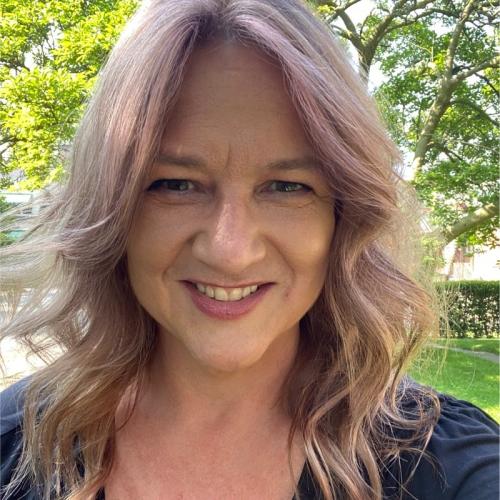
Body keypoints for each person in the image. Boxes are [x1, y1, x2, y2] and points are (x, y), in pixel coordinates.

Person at [0, 0, 498, 499]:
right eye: (175, 184)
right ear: (114, 209)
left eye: (287, 187)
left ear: (344, 217)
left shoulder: (446, 466)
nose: (230, 252)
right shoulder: (14, 445)